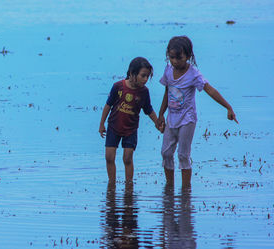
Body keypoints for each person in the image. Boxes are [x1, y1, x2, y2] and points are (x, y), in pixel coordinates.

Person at [157, 36, 238, 188]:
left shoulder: (193, 74)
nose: (175, 61)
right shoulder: (168, 71)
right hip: (171, 118)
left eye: (179, 58)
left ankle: (185, 190)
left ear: (188, 56)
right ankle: (169, 188)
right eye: (171, 57)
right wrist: (161, 114)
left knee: (183, 154)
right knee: (166, 153)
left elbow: (210, 90)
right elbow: (167, 92)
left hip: (187, 119)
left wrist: (228, 107)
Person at [99, 57, 161, 182]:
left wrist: (158, 123)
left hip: (131, 129)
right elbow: (108, 105)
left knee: (127, 158)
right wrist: (101, 124)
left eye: (147, 76)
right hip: (114, 127)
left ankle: (129, 185)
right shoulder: (118, 87)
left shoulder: (144, 92)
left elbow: (148, 109)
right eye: (143, 76)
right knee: (109, 157)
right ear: (132, 74)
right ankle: (112, 184)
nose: (145, 79)